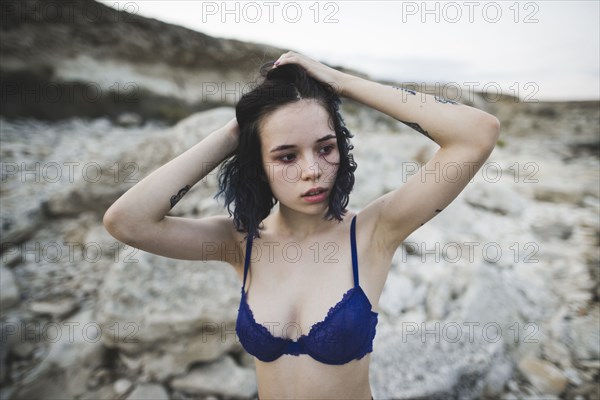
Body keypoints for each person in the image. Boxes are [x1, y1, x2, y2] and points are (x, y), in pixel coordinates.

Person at [103, 51, 501, 400]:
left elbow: (477, 133)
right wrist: (235, 134)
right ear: (259, 165)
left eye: (325, 148)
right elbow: (127, 221)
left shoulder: (375, 231)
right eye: (287, 156)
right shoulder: (240, 242)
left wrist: (340, 83)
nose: (313, 171)